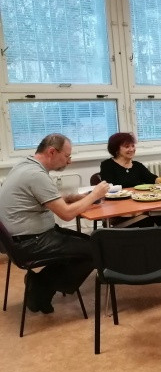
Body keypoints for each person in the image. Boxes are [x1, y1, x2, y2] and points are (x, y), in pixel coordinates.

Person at [0, 133, 109, 313]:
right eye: (67, 156)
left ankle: (41, 283)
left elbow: (42, 199)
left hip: (18, 239)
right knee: (95, 250)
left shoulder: (24, 165)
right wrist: (95, 195)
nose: (69, 161)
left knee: (90, 242)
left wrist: (72, 198)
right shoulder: (36, 175)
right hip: (30, 242)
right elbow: (67, 215)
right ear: (52, 152)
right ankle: (41, 286)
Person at [99, 133, 161, 248]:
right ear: (116, 149)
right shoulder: (107, 165)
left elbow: (152, 178)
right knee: (153, 213)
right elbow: (109, 187)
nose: (131, 149)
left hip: (138, 204)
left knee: (154, 210)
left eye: (133, 146)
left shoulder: (137, 165)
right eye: (127, 146)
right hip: (119, 207)